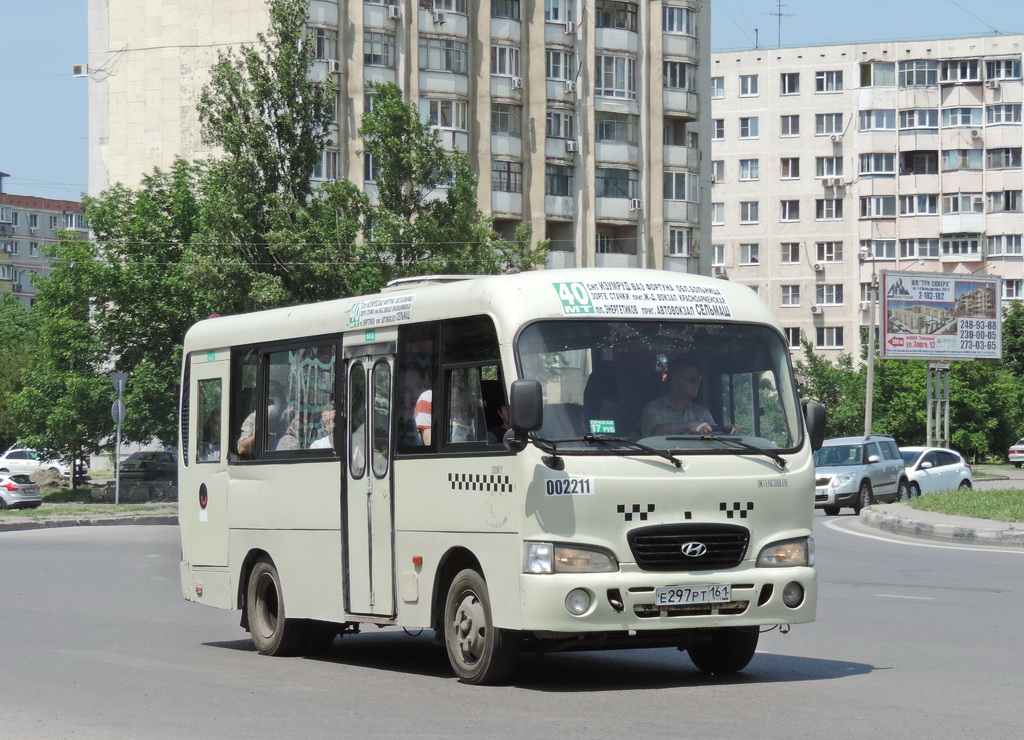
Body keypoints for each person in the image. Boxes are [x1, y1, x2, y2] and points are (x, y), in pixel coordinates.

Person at [639, 358, 736, 436]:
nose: (697, 383)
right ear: (675, 381)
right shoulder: (653, 408)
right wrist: (688, 425)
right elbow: (655, 431)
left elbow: (713, 433)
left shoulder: (701, 411)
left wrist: (729, 429)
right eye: (692, 379)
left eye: (699, 379)